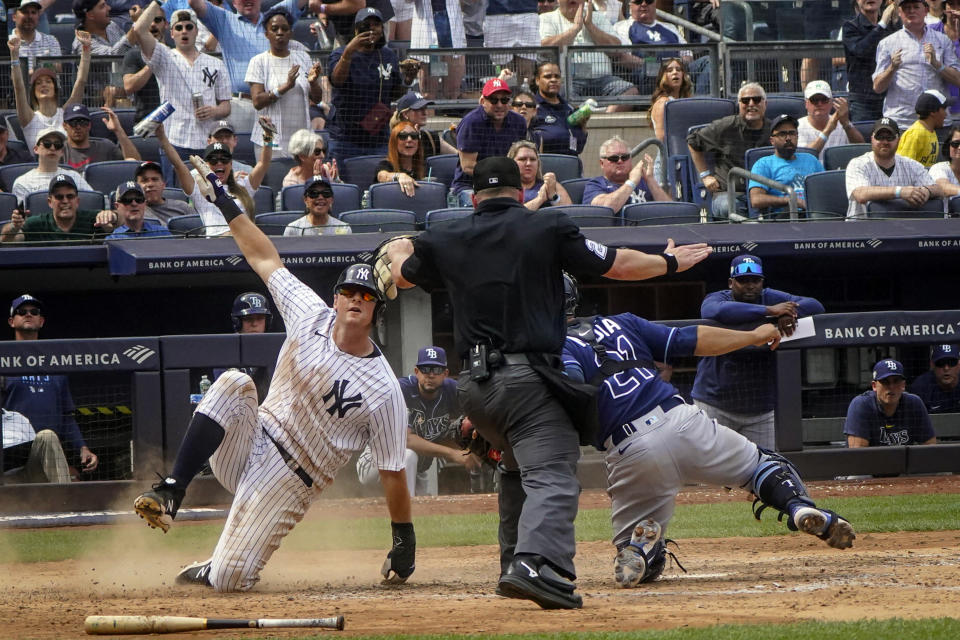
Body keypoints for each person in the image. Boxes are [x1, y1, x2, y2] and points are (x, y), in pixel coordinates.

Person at [381, 156, 712, 609]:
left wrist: (400, 244)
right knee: (554, 476)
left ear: (474, 198)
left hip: (475, 391)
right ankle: (537, 566)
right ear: (521, 193)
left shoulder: (446, 234)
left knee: (517, 470)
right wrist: (669, 263)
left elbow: (400, 274)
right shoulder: (547, 226)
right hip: (527, 380)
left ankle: (513, 563)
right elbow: (617, 266)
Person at [133, 157, 415, 593]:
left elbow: (392, 470)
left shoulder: (383, 388)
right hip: (251, 441)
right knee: (233, 383)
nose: (355, 299)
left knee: (230, 581)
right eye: (348, 292)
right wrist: (225, 203)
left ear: (378, 307)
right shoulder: (309, 312)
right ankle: (172, 490)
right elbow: (263, 255)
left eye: (366, 295)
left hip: (291, 481)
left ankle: (216, 565)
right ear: (335, 298)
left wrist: (403, 538)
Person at [560, 276, 854, 588]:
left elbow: (572, 389)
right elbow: (690, 339)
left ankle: (641, 551)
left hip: (629, 448)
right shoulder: (621, 322)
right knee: (762, 465)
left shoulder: (551, 348)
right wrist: (753, 335)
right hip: (680, 420)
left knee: (636, 555)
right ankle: (799, 507)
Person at [692, 255, 824, 451]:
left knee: (764, 468)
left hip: (760, 410)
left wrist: (788, 313)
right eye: (743, 280)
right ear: (731, 282)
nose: (750, 286)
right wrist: (770, 311)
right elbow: (712, 311)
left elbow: (815, 306)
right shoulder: (719, 297)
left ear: (762, 282)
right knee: (711, 471)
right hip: (714, 403)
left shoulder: (770, 295)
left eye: (755, 280)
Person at [356, 345, 480, 496]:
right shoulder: (401, 390)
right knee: (408, 455)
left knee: (422, 514)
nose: (430, 375)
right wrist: (453, 454)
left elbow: (479, 413)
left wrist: (471, 449)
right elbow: (406, 440)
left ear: (445, 374)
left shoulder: (452, 391)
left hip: (416, 470)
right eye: (425, 369)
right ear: (416, 372)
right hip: (376, 463)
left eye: (437, 370)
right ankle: (404, 515)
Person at [133, 4, 231, 187]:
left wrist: (214, 111)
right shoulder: (163, 55)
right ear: (172, 33)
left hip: (206, 142)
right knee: (177, 192)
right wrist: (158, 2)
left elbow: (226, 106)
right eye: (178, 27)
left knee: (208, 194)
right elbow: (139, 29)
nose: (184, 31)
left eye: (188, 27)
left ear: (196, 31)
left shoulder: (215, 63)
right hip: (174, 140)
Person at [4, 294, 99, 477]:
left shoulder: (55, 364)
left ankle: (63, 502)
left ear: (42, 321)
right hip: (10, 459)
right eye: (22, 312)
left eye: (34, 312)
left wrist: (83, 448)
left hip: (46, 458)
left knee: (47, 436)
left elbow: (67, 416)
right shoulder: (3, 361)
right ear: (11, 321)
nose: (28, 315)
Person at [187, 0, 317, 133]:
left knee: (273, 152)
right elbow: (194, 3)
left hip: (275, 105)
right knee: (240, 152)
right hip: (241, 107)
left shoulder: (274, 18)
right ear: (234, 2)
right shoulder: (224, 19)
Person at [155, 123, 270, 236]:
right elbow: (178, 165)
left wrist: (268, 135)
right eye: (213, 160)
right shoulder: (199, 189)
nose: (219, 163)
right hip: (215, 245)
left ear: (231, 164)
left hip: (245, 242)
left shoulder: (244, 184)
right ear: (206, 165)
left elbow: (263, 163)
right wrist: (162, 137)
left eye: (224, 159)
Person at [327, 8, 409, 163]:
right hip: (345, 137)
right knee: (342, 183)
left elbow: (394, 93)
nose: (371, 29)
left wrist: (408, 80)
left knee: (380, 180)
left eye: (376, 25)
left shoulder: (388, 55)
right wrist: (349, 52)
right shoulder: (340, 53)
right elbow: (337, 81)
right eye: (366, 25)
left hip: (377, 136)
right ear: (356, 29)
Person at [687, 82, 773, 220]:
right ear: (739, 104)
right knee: (731, 207)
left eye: (756, 99)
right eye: (745, 101)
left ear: (765, 104)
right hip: (728, 194)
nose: (751, 104)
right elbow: (692, 141)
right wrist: (705, 175)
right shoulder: (726, 126)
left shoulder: (773, 130)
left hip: (764, 193)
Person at [247, 7, 323, 158]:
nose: (280, 32)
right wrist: (284, 87)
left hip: (302, 140)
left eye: (284, 28)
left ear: (290, 33)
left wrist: (313, 83)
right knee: (272, 180)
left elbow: (317, 98)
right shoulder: (258, 62)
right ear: (266, 34)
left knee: (301, 181)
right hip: (270, 141)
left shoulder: (303, 58)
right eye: (274, 29)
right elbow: (257, 101)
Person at [539, 0, 639, 113]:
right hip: (569, 80)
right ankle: (582, 115)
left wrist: (590, 26)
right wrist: (575, 28)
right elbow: (546, 48)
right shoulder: (547, 18)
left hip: (603, 79)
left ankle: (605, 120)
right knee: (559, 93)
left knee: (630, 92)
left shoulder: (597, 17)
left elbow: (616, 49)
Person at [873, 0, 960, 129]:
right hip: (902, 123)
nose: (911, 11)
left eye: (915, 7)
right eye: (906, 8)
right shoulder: (887, 43)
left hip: (936, 122)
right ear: (900, 12)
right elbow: (877, 87)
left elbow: (958, 79)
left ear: (926, 11)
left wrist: (937, 65)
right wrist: (891, 68)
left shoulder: (943, 40)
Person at [845, 117, 945, 218]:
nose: (885, 142)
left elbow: (939, 190)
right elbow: (861, 194)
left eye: (890, 137)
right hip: (860, 229)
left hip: (902, 229)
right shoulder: (858, 164)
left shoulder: (911, 165)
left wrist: (926, 191)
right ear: (872, 139)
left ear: (898, 140)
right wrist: (900, 192)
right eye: (880, 137)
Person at [450, 78, 529, 205]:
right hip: (471, 186)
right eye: (493, 100)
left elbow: (520, 157)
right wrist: (499, 179)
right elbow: (468, 166)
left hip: (508, 186)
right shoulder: (471, 123)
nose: (499, 105)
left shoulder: (518, 122)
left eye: (504, 100)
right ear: (482, 101)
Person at [8, 31, 91, 150]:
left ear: (55, 88)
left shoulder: (66, 113)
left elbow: (81, 82)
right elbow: (19, 88)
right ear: (33, 91)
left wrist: (86, 49)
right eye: (38, 83)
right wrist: (14, 55)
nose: (43, 85)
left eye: (48, 81)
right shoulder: (29, 118)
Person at [844, 358, 937, 446]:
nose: (891, 387)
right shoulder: (861, 405)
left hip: (903, 461)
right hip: (871, 461)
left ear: (903, 385)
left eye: (896, 381)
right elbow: (857, 456)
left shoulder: (914, 403)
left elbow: (930, 448)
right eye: (885, 382)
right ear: (874, 386)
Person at [748, 114, 825, 218]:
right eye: (782, 134)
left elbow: (825, 190)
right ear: (772, 141)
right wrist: (791, 200)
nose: (788, 138)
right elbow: (756, 200)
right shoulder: (763, 164)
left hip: (815, 215)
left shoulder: (811, 159)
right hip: (782, 219)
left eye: (792, 133)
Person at [3, 173, 118, 243]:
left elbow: (123, 221)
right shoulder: (36, 224)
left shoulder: (94, 219)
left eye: (70, 196)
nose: (65, 201)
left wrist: (112, 216)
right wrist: (14, 226)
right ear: (50, 202)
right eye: (59, 197)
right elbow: (6, 242)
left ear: (77, 201)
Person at [842, 0, 899, 123]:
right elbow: (861, 50)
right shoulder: (850, 26)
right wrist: (882, 24)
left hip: (890, 98)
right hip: (863, 101)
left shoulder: (891, 26)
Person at [583, 135, 671, 213]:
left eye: (625, 157)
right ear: (602, 163)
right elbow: (605, 209)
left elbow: (671, 211)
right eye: (614, 158)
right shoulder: (595, 185)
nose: (620, 161)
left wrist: (651, 181)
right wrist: (631, 183)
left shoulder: (645, 182)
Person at [211, 292, 273, 402]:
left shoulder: (276, 348)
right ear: (237, 322)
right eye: (248, 318)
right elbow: (222, 394)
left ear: (267, 322)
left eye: (260, 318)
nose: (254, 323)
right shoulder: (227, 349)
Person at [9, 128, 93, 203]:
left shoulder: (74, 176)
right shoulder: (23, 182)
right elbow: (21, 215)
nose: (52, 148)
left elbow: (92, 201)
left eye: (57, 145)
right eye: (47, 144)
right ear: (36, 149)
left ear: (62, 152)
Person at [1, 402, 71, 484]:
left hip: (27, 472)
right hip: (3, 478)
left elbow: (35, 448)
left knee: (47, 435)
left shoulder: (17, 418)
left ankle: (64, 492)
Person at [529, 61, 589, 157]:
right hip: (543, 165)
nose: (553, 80)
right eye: (548, 77)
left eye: (557, 76)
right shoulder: (531, 107)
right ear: (537, 80)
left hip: (570, 164)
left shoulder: (569, 109)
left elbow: (578, 147)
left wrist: (583, 128)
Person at [796, 80, 865, 162]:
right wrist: (827, 131)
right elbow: (806, 157)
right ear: (806, 104)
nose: (819, 104)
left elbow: (862, 150)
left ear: (831, 103)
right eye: (814, 100)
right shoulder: (797, 126)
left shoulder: (842, 122)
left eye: (824, 99)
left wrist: (846, 124)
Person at [410, 0, 465, 100]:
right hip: (426, 28)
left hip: (451, 22)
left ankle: (450, 112)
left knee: (452, 91)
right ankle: (430, 114)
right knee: (429, 93)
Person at [61, 104, 140, 170]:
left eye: (83, 122)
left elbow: (135, 163)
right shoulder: (59, 150)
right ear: (64, 126)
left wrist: (118, 130)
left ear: (89, 125)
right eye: (73, 123)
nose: (78, 127)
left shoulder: (105, 147)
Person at [120, 8, 165, 122]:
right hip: (145, 120)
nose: (153, 24)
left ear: (166, 24)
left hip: (173, 120)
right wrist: (152, 61)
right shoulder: (133, 54)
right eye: (149, 21)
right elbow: (129, 86)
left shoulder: (175, 53)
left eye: (158, 20)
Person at [507, 140, 572, 210]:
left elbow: (571, 213)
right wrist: (539, 199)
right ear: (511, 163)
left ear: (538, 164)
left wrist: (553, 195)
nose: (528, 163)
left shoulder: (551, 185)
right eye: (522, 159)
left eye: (532, 159)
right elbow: (512, 216)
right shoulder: (505, 189)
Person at [389, 91, 457, 158]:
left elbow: (458, 156)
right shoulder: (398, 137)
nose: (425, 113)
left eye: (425, 108)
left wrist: (457, 139)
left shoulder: (430, 136)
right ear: (405, 114)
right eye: (419, 109)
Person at [283, 175, 351, 236]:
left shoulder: (344, 229)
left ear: (332, 199)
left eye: (326, 193)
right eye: (314, 193)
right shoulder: (293, 230)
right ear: (305, 200)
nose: (320, 197)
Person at [898, 89, 949, 167]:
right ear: (933, 111)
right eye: (944, 110)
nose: (946, 114)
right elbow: (904, 167)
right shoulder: (915, 134)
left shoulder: (931, 131)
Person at [376, 122, 426, 198]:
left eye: (414, 136)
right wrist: (399, 176)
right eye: (403, 136)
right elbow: (382, 176)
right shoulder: (385, 164)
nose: (409, 139)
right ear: (394, 142)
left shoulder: (425, 165)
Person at [106, 181, 173, 239]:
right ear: (117, 206)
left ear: (145, 203)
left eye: (139, 199)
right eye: (127, 200)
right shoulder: (113, 239)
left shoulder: (162, 234)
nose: (134, 204)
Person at [648, 58, 693, 143]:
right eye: (669, 70)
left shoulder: (683, 100)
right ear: (663, 76)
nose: (675, 72)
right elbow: (661, 137)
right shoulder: (662, 103)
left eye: (678, 69)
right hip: (670, 153)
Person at [11, 0, 62, 68]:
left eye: (33, 12)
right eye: (25, 12)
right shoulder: (7, 43)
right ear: (14, 17)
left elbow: (58, 68)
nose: (30, 16)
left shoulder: (51, 41)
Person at [910, 344, 960, 413]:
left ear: (959, 365)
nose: (946, 368)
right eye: (940, 363)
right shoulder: (921, 387)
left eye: (952, 363)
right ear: (932, 365)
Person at [929, 124, 960, 193]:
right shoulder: (939, 168)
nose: (959, 148)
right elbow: (944, 188)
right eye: (956, 143)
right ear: (948, 146)